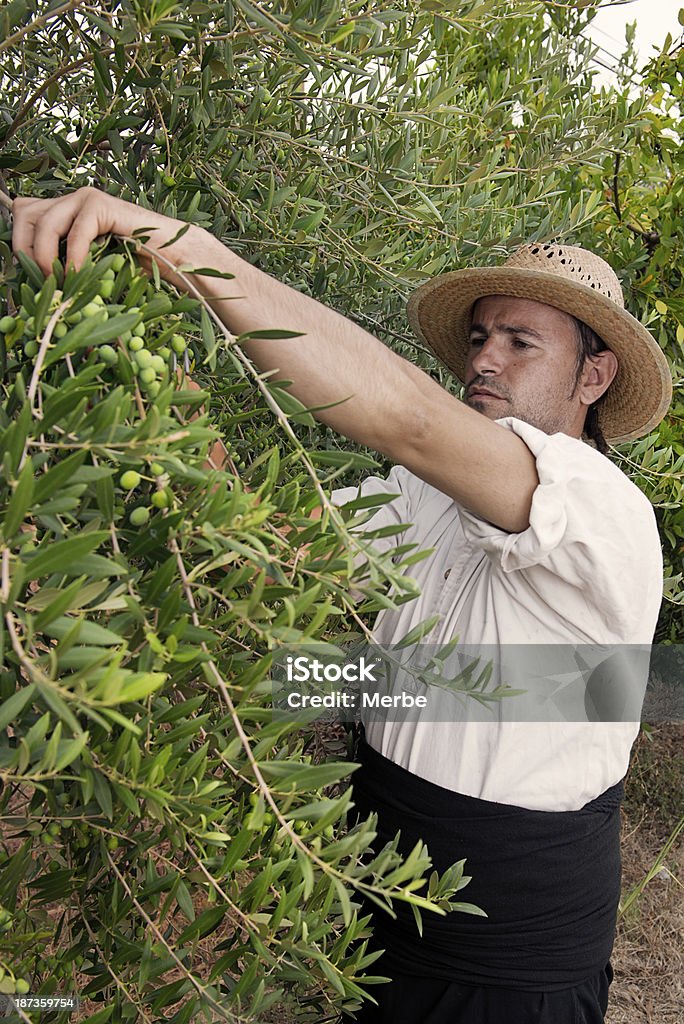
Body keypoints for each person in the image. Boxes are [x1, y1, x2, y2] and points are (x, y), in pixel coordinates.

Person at [12, 189, 673, 1023]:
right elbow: (275, 541)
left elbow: (409, 422)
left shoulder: (606, 514)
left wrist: (185, 246)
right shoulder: (416, 497)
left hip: (510, 968)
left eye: (520, 342)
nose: (484, 360)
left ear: (595, 373)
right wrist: (158, 417)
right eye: (478, 338)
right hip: (372, 909)